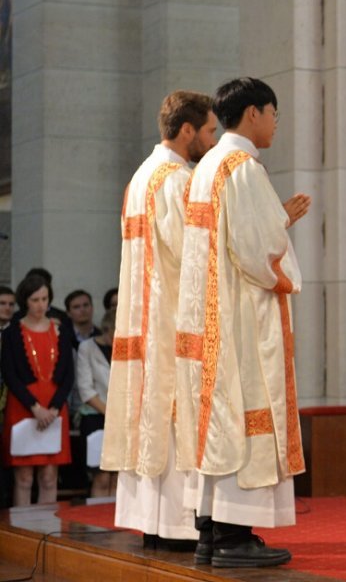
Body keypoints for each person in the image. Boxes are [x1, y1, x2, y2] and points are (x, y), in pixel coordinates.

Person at [175, 77, 310, 568]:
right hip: (240, 322)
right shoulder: (244, 167)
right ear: (253, 113)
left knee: (218, 425)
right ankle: (234, 534)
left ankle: (211, 530)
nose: (276, 123)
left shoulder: (207, 165)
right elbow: (256, 253)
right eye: (274, 113)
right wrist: (286, 271)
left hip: (208, 319)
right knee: (243, 419)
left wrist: (275, 221)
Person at [103, 90, 217, 551]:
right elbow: (194, 252)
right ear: (186, 130)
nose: (213, 140)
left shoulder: (140, 177)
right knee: (174, 420)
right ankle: (176, 523)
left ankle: (152, 520)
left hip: (143, 322)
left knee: (151, 420)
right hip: (172, 323)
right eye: (209, 131)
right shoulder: (177, 180)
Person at [0, 274, 74, 506]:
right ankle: (24, 535)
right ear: (25, 301)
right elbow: (10, 375)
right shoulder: (12, 332)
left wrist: (52, 409)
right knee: (23, 476)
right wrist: (35, 408)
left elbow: (68, 375)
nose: (41, 305)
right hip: (24, 405)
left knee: (50, 476)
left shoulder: (60, 330)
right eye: (35, 300)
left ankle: (46, 530)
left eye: (44, 299)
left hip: (54, 407)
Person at [76, 307, 115, 497]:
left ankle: (118, 522)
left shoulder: (127, 349)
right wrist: (111, 414)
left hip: (122, 419)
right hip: (95, 416)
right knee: (101, 476)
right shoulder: (87, 348)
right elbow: (86, 390)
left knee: (118, 476)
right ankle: (97, 522)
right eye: (114, 334)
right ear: (106, 329)